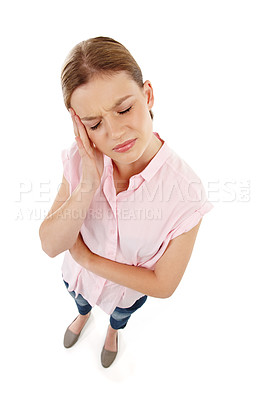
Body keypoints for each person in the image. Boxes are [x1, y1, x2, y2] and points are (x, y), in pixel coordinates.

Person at [39, 36, 214, 368]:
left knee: (119, 316)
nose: (116, 132)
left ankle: (112, 333)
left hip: (123, 296)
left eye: (124, 109)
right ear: (80, 125)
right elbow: (50, 244)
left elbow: (163, 284)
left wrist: (87, 258)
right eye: (95, 124)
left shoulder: (186, 192)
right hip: (77, 279)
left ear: (147, 95)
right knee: (79, 301)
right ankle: (83, 314)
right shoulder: (81, 159)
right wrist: (88, 183)